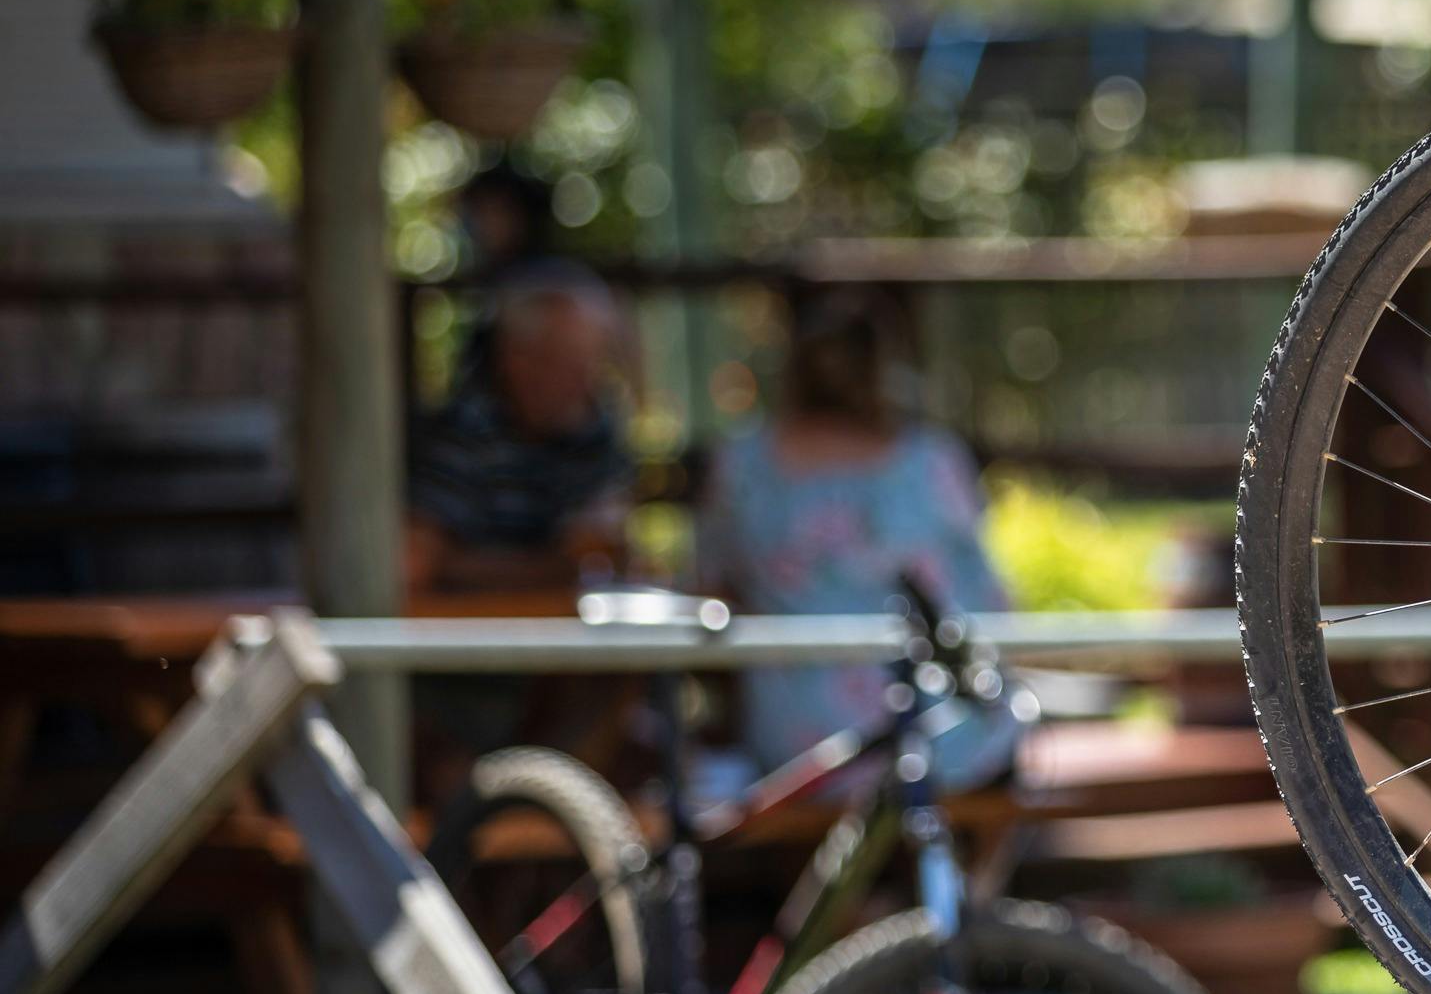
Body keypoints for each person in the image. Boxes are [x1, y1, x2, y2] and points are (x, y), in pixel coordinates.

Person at [699, 282, 1015, 785]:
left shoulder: (742, 464)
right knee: (1005, 728)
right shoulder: (929, 461)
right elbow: (992, 602)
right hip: (929, 731)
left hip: (791, 743)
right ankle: (971, 865)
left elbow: (708, 587)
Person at [407, 262, 633, 593]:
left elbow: (606, 554)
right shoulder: (462, 434)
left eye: (592, 363)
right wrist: (552, 568)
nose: (584, 384)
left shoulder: (595, 433)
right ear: (515, 359)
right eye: (565, 362)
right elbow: (417, 565)